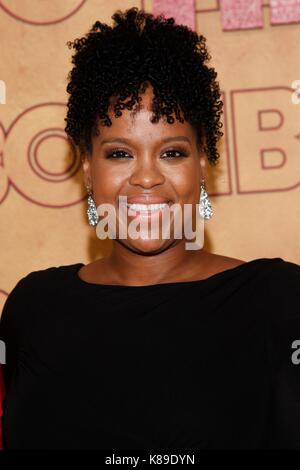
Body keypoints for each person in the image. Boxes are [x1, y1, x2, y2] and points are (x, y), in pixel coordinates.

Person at [0, 6, 300, 450]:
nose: (145, 177)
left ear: (202, 164)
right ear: (87, 168)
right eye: (119, 153)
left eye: (172, 153)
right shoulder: (33, 309)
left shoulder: (278, 300)